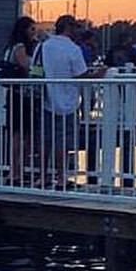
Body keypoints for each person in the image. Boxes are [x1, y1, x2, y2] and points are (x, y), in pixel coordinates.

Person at [32, 15, 107, 186]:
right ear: (68, 28)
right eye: (75, 27)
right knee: (62, 141)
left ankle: (42, 176)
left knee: (45, 140)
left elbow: (34, 69)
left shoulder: (43, 46)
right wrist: (99, 74)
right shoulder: (73, 49)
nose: (77, 31)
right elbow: (81, 75)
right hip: (68, 101)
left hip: (45, 99)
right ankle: (60, 177)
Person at [0, 16, 39, 185]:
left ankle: (17, 171)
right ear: (24, 30)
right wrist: (42, 71)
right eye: (31, 29)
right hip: (21, 95)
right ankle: (16, 171)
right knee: (21, 134)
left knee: (21, 134)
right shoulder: (20, 47)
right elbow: (26, 67)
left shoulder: (11, 46)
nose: (34, 33)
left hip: (17, 94)